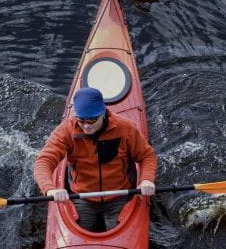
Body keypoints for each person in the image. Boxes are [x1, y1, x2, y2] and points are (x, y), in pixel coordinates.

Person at [33, 87, 157, 232]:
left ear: (103, 113)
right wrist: (50, 190)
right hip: (83, 197)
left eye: (92, 120)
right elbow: (43, 162)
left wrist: (147, 179)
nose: (86, 125)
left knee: (120, 232)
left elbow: (147, 156)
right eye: (81, 120)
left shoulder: (125, 128)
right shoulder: (66, 131)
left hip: (120, 195)